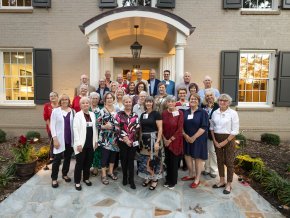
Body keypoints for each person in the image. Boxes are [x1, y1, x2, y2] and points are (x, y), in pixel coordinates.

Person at [210, 94, 239, 194]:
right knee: (219, 160)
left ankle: (229, 184)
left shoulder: (233, 113)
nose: (222, 102)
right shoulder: (215, 113)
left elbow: (235, 130)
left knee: (229, 161)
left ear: (229, 102)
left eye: (225, 101)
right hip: (217, 139)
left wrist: (224, 142)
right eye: (221, 100)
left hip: (229, 139)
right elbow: (212, 128)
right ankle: (222, 181)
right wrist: (214, 140)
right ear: (218, 102)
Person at [182, 93, 208, 189]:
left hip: (198, 138)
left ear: (198, 101)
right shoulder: (185, 112)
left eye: (195, 99)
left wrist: (193, 137)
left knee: (198, 158)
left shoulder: (202, 112)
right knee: (187, 155)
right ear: (189, 100)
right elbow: (181, 125)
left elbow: (204, 127)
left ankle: (197, 178)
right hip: (186, 138)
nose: (193, 100)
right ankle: (191, 174)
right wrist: (185, 135)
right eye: (191, 99)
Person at [115, 95, 140, 189]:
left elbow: (137, 129)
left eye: (130, 102)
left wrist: (130, 140)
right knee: (124, 160)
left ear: (132, 103)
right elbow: (117, 128)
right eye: (126, 102)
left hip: (133, 142)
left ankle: (131, 180)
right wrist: (126, 139)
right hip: (122, 141)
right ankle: (125, 177)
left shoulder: (135, 115)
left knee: (131, 161)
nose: (128, 103)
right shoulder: (119, 114)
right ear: (124, 103)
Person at [73, 97, 98, 191]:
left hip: (90, 143)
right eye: (83, 103)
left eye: (87, 103)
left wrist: (96, 141)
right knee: (79, 163)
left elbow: (95, 129)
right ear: (80, 105)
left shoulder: (92, 114)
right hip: (81, 144)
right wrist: (78, 144)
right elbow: (75, 130)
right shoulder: (78, 115)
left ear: (90, 104)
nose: (85, 104)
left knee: (88, 162)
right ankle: (77, 181)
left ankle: (86, 178)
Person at [138, 96, 163, 190]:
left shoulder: (156, 114)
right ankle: (148, 177)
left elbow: (160, 128)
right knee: (145, 159)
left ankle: (155, 180)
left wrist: (157, 141)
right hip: (144, 141)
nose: (148, 103)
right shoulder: (142, 114)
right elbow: (141, 128)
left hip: (153, 139)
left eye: (150, 102)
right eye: (147, 102)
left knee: (153, 159)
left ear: (153, 103)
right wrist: (140, 139)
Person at [50, 94, 74, 188]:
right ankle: (54, 178)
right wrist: (55, 139)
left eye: (66, 99)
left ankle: (64, 174)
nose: (64, 101)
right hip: (59, 140)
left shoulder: (73, 111)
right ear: (60, 101)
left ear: (69, 101)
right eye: (63, 99)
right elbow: (52, 126)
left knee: (68, 158)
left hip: (69, 139)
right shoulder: (55, 111)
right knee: (57, 160)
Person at [162, 96, 184, 189]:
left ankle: (173, 181)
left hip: (175, 141)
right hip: (165, 141)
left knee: (174, 162)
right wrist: (164, 139)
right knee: (167, 161)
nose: (170, 103)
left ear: (175, 103)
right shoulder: (163, 113)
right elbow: (161, 127)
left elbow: (180, 129)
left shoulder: (180, 113)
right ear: (166, 103)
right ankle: (167, 179)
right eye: (169, 102)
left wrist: (170, 140)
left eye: (172, 101)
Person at [97, 93, 119, 185]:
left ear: (113, 99)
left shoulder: (117, 111)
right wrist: (105, 126)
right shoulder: (101, 111)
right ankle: (103, 175)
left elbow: (120, 123)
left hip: (115, 137)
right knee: (105, 157)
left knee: (113, 156)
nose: (109, 99)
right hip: (105, 138)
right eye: (107, 98)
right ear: (105, 100)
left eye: (111, 98)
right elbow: (97, 125)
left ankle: (110, 172)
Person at [201, 90, 219, 178]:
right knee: (206, 151)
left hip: (213, 132)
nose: (209, 97)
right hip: (203, 132)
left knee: (212, 151)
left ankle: (213, 170)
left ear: (214, 96)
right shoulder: (203, 106)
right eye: (207, 96)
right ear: (205, 97)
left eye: (211, 95)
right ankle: (207, 169)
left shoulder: (217, 106)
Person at [43, 92, 59, 164]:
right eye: (51, 96)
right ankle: (52, 157)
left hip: (60, 128)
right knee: (52, 142)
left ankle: (59, 157)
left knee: (60, 141)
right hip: (50, 127)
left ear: (57, 97)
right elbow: (46, 118)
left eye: (54, 96)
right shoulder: (47, 106)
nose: (52, 97)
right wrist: (51, 129)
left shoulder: (60, 105)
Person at [89, 92, 102, 176]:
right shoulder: (86, 108)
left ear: (98, 100)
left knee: (97, 151)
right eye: (93, 98)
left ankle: (96, 167)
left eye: (96, 98)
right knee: (88, 150)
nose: (94, 100)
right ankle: (88, 166)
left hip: (98, 133)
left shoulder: (101, 109)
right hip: (88, 133)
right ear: (90, 99)